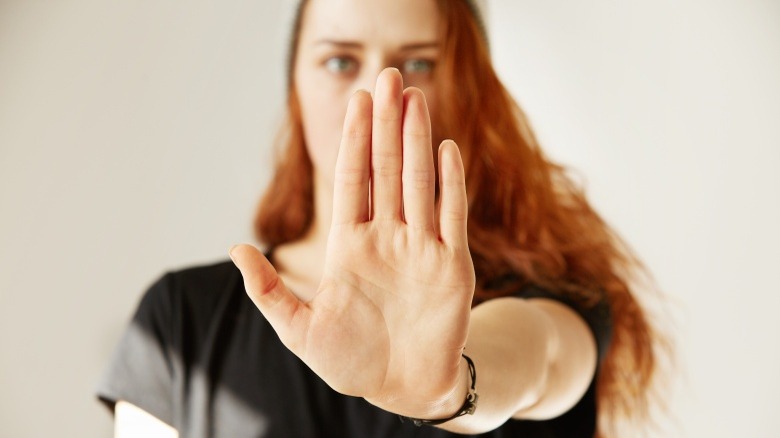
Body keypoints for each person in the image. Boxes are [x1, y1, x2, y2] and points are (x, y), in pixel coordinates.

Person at [96, 0, 663, 436]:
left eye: (419, 62)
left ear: (471, 88)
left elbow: (539, 356)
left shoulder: (554, 297)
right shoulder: (179, 323)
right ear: (294, 84)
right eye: (339, 60)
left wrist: (446, 389)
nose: (376, 91)